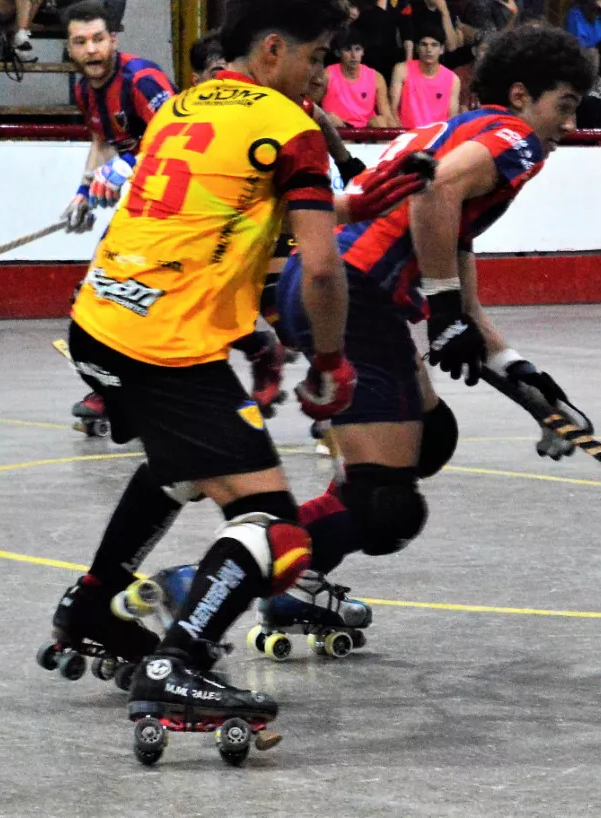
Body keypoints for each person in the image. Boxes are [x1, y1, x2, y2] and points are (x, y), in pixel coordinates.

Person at [43, 0, 433, 739]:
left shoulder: (183, 106)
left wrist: (353, 204)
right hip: (163, 345)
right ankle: (178, 664)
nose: (321, 75)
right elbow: (319, 269)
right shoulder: (289, 127)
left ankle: (95, 603)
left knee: (179, 465)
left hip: (99, 322)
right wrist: (328, 363)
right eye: (317, 57)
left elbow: (212, 218)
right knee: (276, 531)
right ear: (274, 50)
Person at [221, 23, 597, 655]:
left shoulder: (460, 132)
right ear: (522, 94)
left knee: (429, 443)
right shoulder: (513, 137)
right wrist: (444, 305)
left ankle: (295, 571)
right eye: (564, 105)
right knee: (385, 507)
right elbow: (436, 191)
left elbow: (464, 292)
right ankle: (219, 578)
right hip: (351, 294)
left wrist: (532, 386)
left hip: (340, 289)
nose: (570, 124)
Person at [57, 1, 176, 436]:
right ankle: (114, 392)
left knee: (129, 301)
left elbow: (181, 140)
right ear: (70, 48)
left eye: (98, 40)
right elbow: (102, 142)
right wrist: (84, 190)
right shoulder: (84, 89)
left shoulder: (142, 79)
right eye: (80, 42)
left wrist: (129, 166)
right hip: (141, 208)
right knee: (94, 299)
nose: (91, 50)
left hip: (180, 207)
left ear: (114, 40)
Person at [322, 30, 399, 128]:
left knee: (380, 121)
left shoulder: (376, 77)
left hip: (367, 131)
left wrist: (399, 137)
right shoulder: (326, 75)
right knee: (330, 119)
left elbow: (387, 115)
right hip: (339, 132)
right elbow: (310, 105)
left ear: (363, 51)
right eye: (348, 49)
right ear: (337, 52)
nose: (353, 55)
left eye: (357, 49)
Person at [390, 29, 461, 128]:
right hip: (407, 135)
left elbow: (452, 118)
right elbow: (392, 110)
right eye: (424, 44)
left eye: (434, 45)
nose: (429, 50)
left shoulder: (453, 79)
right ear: (417, 48)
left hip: (437, 138)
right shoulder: (402, 70)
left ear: (442, 49)